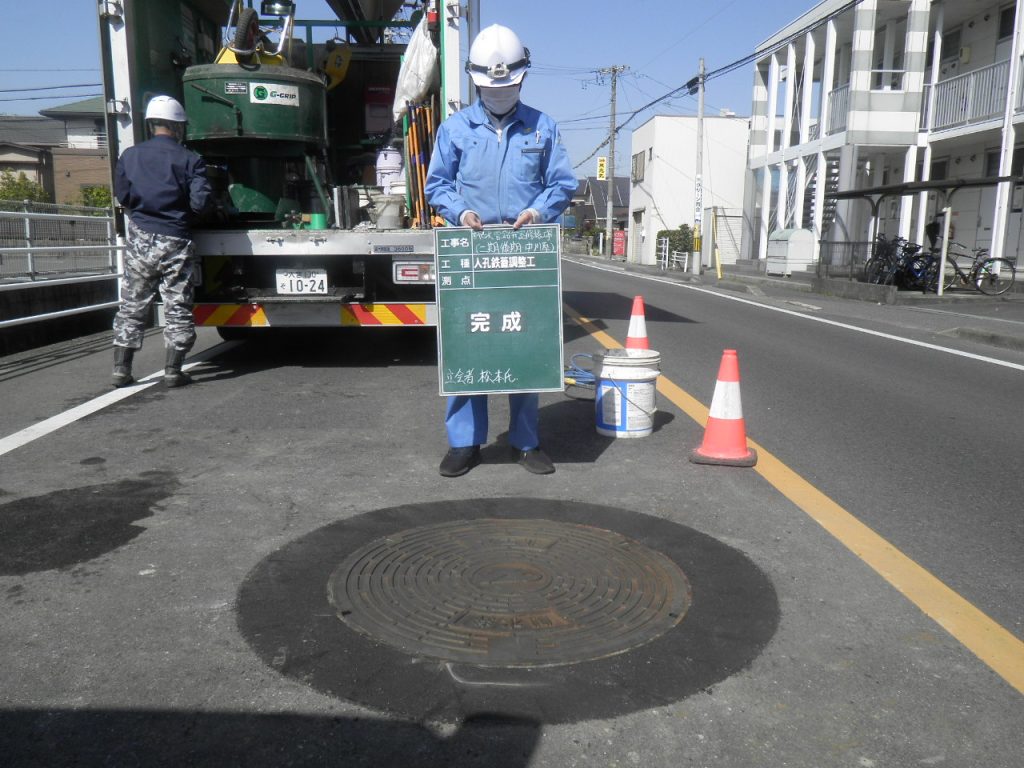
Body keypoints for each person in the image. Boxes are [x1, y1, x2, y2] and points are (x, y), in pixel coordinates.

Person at [425, 24, 577, 477]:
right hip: (472, 252)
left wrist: (536, 212)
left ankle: (526, 441)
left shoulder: (542, 127)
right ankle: (464, 443)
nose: (499, 93)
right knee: (467, 349)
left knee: (523, 348)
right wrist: (460, 214)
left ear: (522, 78)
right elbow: (438, 185)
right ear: (475, 80)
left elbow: (562, 183)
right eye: (491, 86)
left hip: (524, 250)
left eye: (507, 85)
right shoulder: (455, 129)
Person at [111, 95, 212, 388]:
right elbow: (201, 201)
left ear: (152, 124)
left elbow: (124, 196)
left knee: (133, 303)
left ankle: (121, 369)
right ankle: (173, 370)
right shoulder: (190, 160)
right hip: (176, 237)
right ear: (178, 127)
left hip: (141, 236)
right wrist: (185, 214)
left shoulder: (129, 156)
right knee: (177, 303)